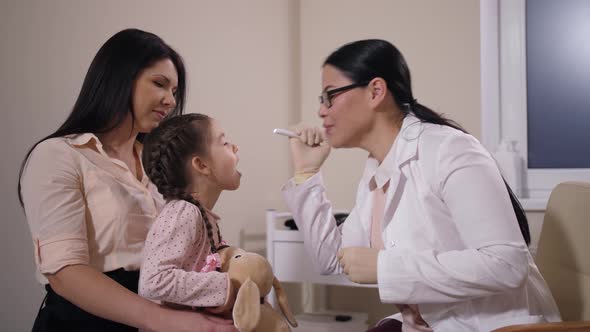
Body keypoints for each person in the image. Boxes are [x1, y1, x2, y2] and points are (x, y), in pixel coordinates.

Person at [281, 39, 561, 332]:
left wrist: (384, 267)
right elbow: (332, 260)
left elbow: (506, 264)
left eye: (330, 96)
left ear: (376, 91)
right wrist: (306, 173)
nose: (321, 111)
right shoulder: (377, 170)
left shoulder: (449, 150)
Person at [19, 28, 235, 332]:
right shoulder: (58, 155)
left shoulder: (160, 165)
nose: (170, 101)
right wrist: (166, 320)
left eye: (174, 91)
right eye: (159, 84)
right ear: (119, 78)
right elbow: (64, 272)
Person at [138, 113, 241, 317]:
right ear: (202, 165)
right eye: (225, 143)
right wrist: (230, 284)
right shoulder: (183, 212)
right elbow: (153, 282)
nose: (235, 147)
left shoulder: (200, 214)